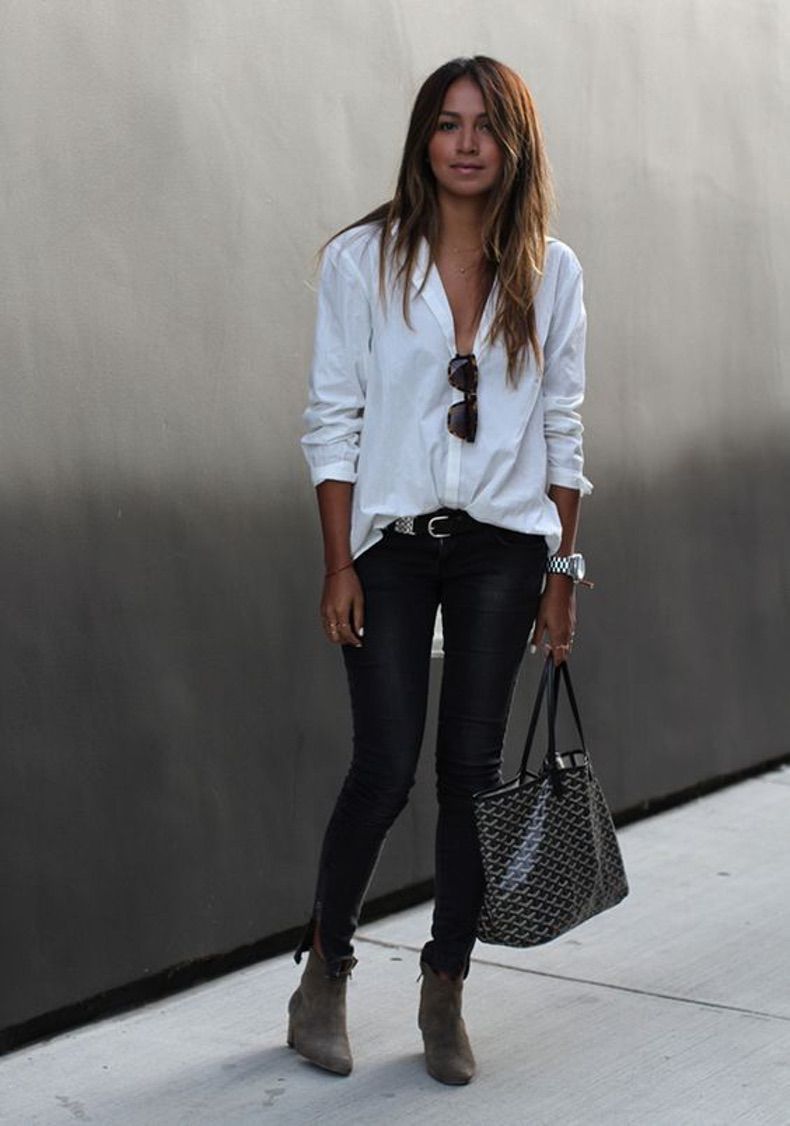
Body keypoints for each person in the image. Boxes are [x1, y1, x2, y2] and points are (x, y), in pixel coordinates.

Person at [288, 55, 592, 1085]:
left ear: (515, 143)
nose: (466, 143)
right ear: (423, 137)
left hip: (503, 548)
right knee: (383, 768)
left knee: (471, 775)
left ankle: (444, 986)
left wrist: (562, 574)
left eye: (486, 125)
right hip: (391, 544)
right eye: (448, 122)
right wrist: (338, 561)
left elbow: (562, 428)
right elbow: (333, 418)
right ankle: (324, 973)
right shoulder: (362, 261)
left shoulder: (552, 271)